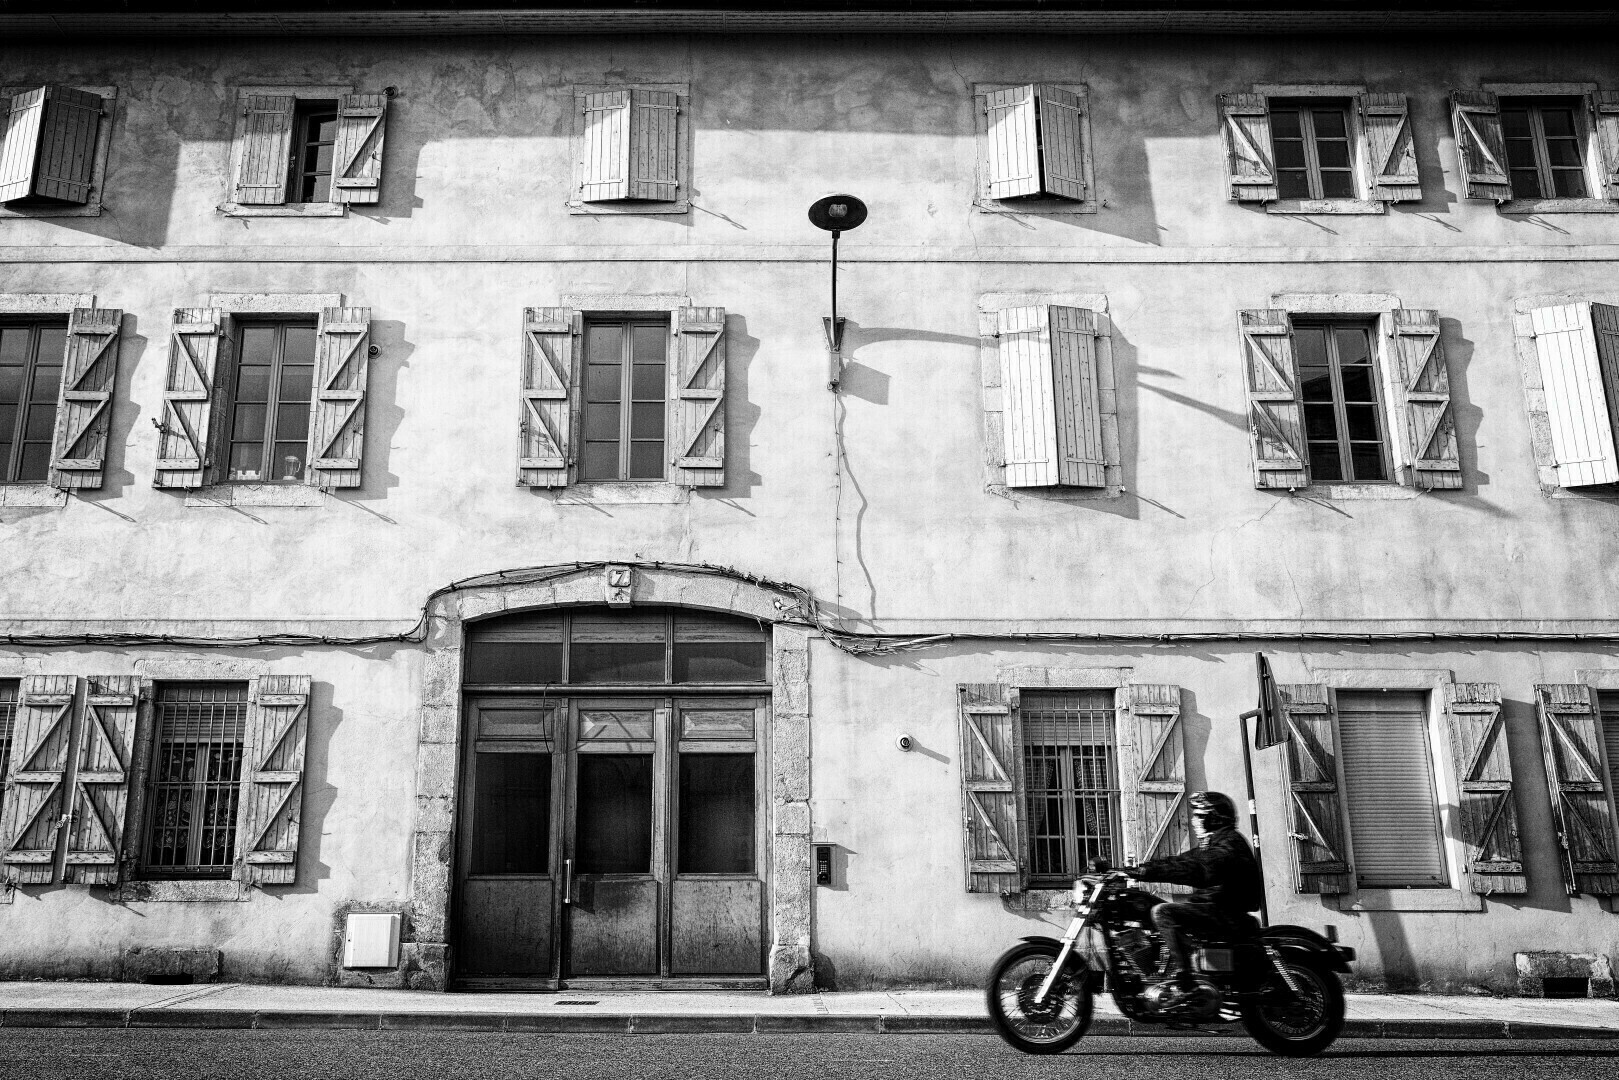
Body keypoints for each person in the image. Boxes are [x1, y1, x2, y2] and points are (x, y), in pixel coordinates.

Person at [1126, 791, 1263, 1006]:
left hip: (1225, 911)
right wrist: (1137, 869)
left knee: (1162, 912)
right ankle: (1165, 972)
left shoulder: (1229, 845)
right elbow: (1179, 861)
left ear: (1215, 818)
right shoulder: (1212, 844)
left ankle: (1185, 982)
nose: (1194, 820)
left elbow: (1197, 868)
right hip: (1213, 908)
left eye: (1200, 815)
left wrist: (1146, 874)